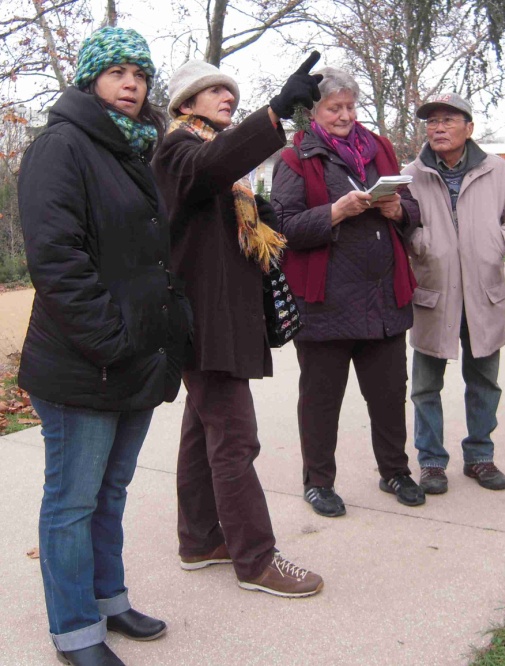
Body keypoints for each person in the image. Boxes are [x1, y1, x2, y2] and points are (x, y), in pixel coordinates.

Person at [18, 27, 192, 666]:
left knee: (112, 491)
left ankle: (108, 597)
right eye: (117, 71)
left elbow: (146, 256)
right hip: (81, 363)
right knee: (72, 501)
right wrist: (112, 342)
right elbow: (56, 260)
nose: (131, 84)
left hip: (134, 357)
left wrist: (167, 331)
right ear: (92, 79)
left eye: (140, 74)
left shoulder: (134, 151)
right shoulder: (60, 146)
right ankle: (73, 630)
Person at [152, 55, 324, 595]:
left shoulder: (219, 162)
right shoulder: (178, 149)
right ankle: (256, 558)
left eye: (231, 91)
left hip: (218, 318)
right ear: (185, 104)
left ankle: (200, 539)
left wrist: (264, 212)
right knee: (234, 439)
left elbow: (222, 200)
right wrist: (275, 112)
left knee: (203, 430)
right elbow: (211, 169)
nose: (228, 96)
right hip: (206, 322)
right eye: (213, 91)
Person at [270, 67, 425, 518]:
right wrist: (335, 212)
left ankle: (394, 470)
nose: (344, 115)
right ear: (313, 112)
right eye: (334, 107)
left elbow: (412, 209)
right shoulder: (296, 157)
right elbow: (283, 227)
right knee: (321, 400)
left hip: (383, 297)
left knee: (389, 393)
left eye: (350, 106)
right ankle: (318, 482)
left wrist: (399, 210)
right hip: (327, 304)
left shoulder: (379, 148)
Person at [403, 93, 505, 495]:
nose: (437, 128)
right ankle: (432, 462)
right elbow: (399, 224)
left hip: (483, 293)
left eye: (447, 120)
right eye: (431, 121)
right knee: (425, 386)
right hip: (433, 295)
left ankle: (480, 456)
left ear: (469, 128)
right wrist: (422, 243)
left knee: (484, 383)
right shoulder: (411, 174)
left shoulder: (499, 171)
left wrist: (498, 242)